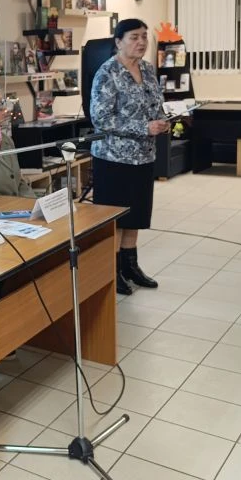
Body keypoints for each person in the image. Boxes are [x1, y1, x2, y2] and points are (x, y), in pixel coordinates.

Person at [89, 18, 170, 295]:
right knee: (116, 217)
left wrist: (162, 120)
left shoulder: (147, 69)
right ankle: (112, 271)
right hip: (113, 159)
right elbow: (101, 119)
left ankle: (130, 265)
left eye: (144, 36)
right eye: (134, 37)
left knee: (136, 215)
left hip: (143, 156)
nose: (141, 42)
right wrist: (144, 127)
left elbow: (155, 105)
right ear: (118, 42)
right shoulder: (107, 73)